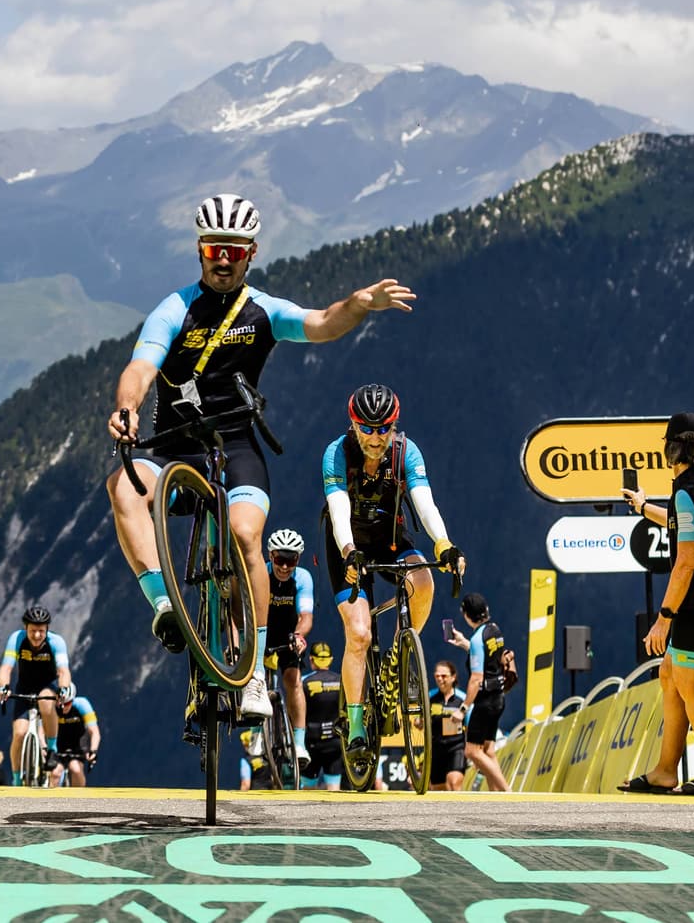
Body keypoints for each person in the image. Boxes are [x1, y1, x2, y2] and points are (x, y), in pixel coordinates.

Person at [106, 192, 417, 723]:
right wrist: (127, 407)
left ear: (250, 254)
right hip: (176, 444)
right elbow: (141, 367)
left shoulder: (263, 311)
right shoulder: (175, 308)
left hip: (236, 448)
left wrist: (359, 305)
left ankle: (252, 671)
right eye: (214, 249)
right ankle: (164, 605)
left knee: (246, 534)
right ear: (200, 251)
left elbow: (321, 323)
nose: (223, 260)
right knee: (123, 487)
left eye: (234, 250)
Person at [320, 383, 464, 766]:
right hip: (347, 546)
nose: (375, 437)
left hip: (390, 539)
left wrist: (444, 543)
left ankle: (402, 653)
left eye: (384, 428)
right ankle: (354, 728)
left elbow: (424, 501)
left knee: (423, 581)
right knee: (359, 634)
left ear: (394, 425)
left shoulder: (406, 452)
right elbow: (338, 508)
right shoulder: (337, 453)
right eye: (367, 428)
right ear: (353, 425)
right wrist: (349, 552)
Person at [620, 412, 694, 795]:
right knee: (670, 676)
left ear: (669, 449)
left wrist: (664, 618)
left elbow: (685, 562)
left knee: (692, 687)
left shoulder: (686, 491)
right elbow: (679, 519)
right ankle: (666, 770)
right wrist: (642, 506)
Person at [0, 604, 72, 781]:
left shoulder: (56, 642)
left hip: (49, 684)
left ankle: (52, 748)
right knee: (19, 734)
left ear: (47, 629)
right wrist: (3, 687)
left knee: (45, 702)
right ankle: (16, 779)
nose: (37, 635)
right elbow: (6, 668)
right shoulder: (17, 638)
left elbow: (63, 671)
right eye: (33, 631)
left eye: (41, 631)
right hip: (25, 686)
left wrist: (63, 689)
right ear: (26, 628)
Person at [262, 527, 316, 772]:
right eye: (279, 559)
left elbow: (305, 616)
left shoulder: (302, 578)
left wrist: (298, 635)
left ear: (298, 559)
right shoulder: (260, 574)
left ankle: (300, 743)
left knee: (293, 680)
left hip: (288, 634)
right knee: (253, 679)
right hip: (261, 633)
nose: (284, 567)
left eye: (291, 560)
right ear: (270, 555)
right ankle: (257, 732)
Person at [456, 592, 512, 792]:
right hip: (498, 697)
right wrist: (466, 644)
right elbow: (489, 657)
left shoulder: (477, 639)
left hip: (485, 700)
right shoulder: (494, 630)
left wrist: (463, 709)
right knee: (488, 750)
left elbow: (476, 679)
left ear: (466, 615)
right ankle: (496, 795)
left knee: (472, 751)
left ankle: (507, 792)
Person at [298, 641, 344, 790]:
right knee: (334, 789)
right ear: (330, 660)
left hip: (312, 742)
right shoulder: (341, 681)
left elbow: (296, 712)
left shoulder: (303, 682)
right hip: (335, 742)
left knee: (308, 789)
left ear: (311, 659)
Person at [429, 658, 469, 791]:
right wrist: (420, 722)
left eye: (444, 676)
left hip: (456, 747)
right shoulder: (430, 697)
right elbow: (420, 720)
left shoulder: (463, 699)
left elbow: (470, 725)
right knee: (437, 788)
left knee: (454, 782)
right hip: (436, 748)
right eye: (437, 676)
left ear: (453, 677)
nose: (440, 679)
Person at [56, 693, 101, 787]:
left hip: (77, 745)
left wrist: (93, 750)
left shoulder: (82, 704)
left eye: (68, 703)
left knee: (76, 769)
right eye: (62, 704)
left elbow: (94, 732)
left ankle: (79, 795)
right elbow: (41, 731)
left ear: (72, 701)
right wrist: (44, 747)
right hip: (57, 745)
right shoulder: (52, 706)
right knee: (55, 773)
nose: (64, 707)